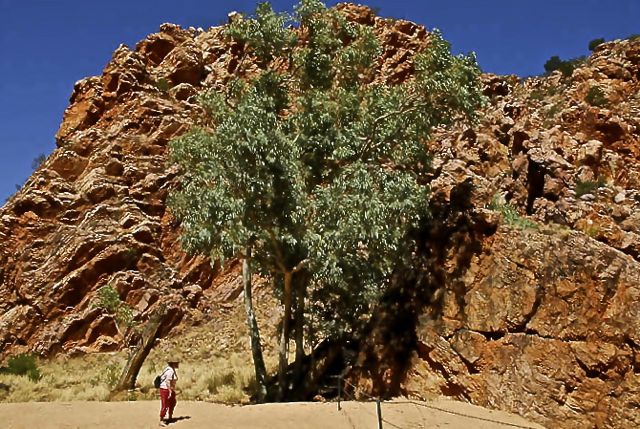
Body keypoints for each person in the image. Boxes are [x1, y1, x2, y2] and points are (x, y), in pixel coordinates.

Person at [158, 358, 179, 427]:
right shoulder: (170, 371)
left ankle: (170, 416)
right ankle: (161, 419)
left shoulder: (172, 370)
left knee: (173, 402)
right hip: (165, 389)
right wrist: (170, 391)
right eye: (176, 363)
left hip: (169, 389)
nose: (178, 364)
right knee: (165, 404)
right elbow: (167, 381)